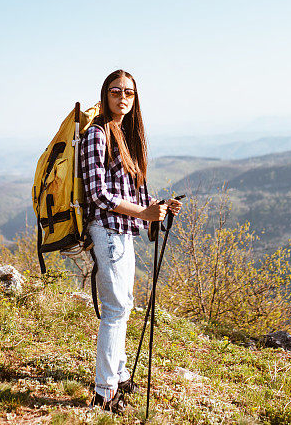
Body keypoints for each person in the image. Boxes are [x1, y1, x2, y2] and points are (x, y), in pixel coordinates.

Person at [79, 69, 182, 414]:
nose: (122, 97)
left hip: (123, 231)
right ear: (105, 95)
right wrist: (142, 213)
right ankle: (104, 392)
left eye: (129, 92)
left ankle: (119, 374)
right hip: (107, 230)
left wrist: (158, 209)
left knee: (123, 305)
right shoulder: (97, 135)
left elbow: (134, 189)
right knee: (115, 310)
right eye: (115, 91)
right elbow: (97, 194)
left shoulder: (127, 135)